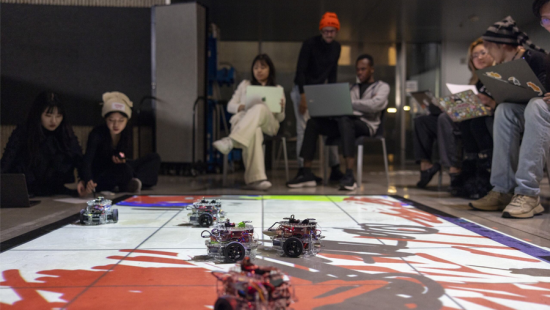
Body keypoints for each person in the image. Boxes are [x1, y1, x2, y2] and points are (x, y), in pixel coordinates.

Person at [469, 15, 549, 219]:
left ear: (501, 46)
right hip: (534, 110)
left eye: (489, 48)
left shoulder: (536, 58)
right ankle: (502, 189)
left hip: (540, 110)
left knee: (536, 105)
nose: (488, 53)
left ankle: (528, 193)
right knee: (505, 109)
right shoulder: (508, 65)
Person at [286, 54, 390, 190]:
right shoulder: (352, 88)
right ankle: (306, 173)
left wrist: (351, 104)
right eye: (358, 69)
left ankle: (349, 175)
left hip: (367, 125)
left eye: (363, 69)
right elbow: (348, 106)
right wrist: (355, 105)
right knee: (313, 123)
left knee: (345, 120)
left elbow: (374, 106)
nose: (359, 72)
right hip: (345, 122)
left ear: (372, 69)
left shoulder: (382, 87)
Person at [212, 54, 285, 191]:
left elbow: (280, 118)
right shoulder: (245, 85)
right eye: (255, 67)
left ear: (270, 69)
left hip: (269, 123)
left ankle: (231, 141)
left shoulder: (277, 89)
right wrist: (244, 107)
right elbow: (230, 106)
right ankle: (256, 180)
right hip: (244, 120)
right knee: (254, 131)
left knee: (260, 107)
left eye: (263, 67)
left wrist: (281, 109)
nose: (259, 70)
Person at [291, 12, 343, 183]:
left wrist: (333, 94)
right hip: (302, 89)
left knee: (328, 126)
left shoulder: (337, 47)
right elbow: (300, 71)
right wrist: (303, 96)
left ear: (336, 31)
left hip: (321, 91)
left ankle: (335, 168)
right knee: (303, 129)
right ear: (321, 30)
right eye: (326, 31)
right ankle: (303, 169)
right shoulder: (309, 44)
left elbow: (333, 72)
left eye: (332, 31)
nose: (329, 34)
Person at [1, 91, 84, 196]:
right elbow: (6, 163)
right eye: (48, 115)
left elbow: (80, 159)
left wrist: (84, 179)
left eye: (58, 116)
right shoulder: (24, 131)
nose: (54, 121)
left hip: (56, 192)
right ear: (38, 114)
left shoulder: (65, 132)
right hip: (26, 192)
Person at [80, 92, 161, 195]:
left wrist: (122, 159)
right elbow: (87, 161)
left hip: (121, 167)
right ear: (105, 119)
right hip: (103, 172)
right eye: (111, 120)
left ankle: (133, 182)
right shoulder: (97, 134)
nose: (116, 125)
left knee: (154, 158)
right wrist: (88, 180)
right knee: (125, 170)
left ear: (127, 120)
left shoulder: (126, 132)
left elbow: (126, 155)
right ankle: (130, 183)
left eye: (121, 121)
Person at [451, 39, 495, 199]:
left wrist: (490, 104)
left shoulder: (499, 76)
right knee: (464, 121)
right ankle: (469, 172)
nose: (479, 57)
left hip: (494, 120)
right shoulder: (476, 82)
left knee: (475, 122)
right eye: (475, 55)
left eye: (483, 52)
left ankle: (484, 173)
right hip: (476, 121)